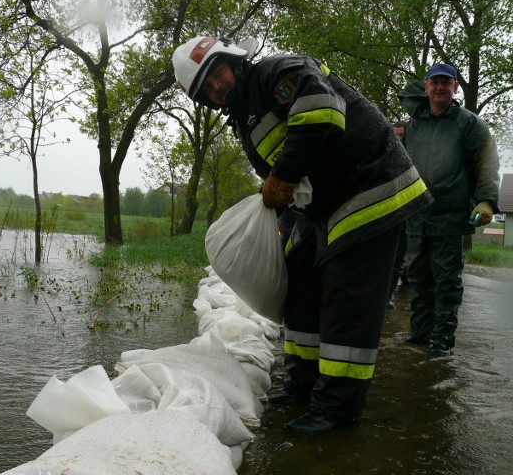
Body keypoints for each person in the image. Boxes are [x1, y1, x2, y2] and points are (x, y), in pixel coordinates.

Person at [172, 36, 433, 435]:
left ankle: (337, 408)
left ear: (233, 62)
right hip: (322, 207)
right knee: (302, 288)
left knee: (347, 300)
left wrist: (282, 176)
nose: (216, 87)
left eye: (216, 74)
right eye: (206, 89)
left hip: (370, 187)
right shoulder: (246, 116)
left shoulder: (280, 72)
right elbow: (288, 175)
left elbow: (322, 115)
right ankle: (304, 385)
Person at [397, 63, 500, 356]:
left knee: (446, 281)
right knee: (417, 276)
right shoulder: (414, 125)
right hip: (417, 216)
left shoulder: (469, 123)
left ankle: (442, 341)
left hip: (451, 216)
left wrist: (487, 201)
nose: (440, 87)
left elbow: (487, 162)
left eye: (446, 82)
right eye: (435, 82)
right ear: (426, 87)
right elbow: (403, 165)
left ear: (455, 87)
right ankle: (420, 333)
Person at [386, 120, 408, 310]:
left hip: (406, 215)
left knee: (398, 258)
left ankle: (388, 295)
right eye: (396, 135)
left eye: (402, 134)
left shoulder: (415, 155)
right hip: (384, 214)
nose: (399, 138)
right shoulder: (383, 154)